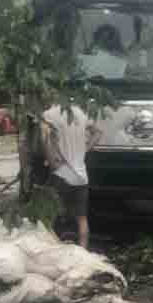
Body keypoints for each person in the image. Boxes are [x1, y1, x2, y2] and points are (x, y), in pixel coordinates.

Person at [42, 103, 103, 249]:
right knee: (82, 218)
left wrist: (53, 164)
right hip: (81, 176)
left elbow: (45, 141)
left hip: (61, 174)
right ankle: (83, 252)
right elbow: (98, 133)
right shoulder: (81, 113)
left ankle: (51, 249)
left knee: (50, 217)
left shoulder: (48, 115)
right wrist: (85, 149)